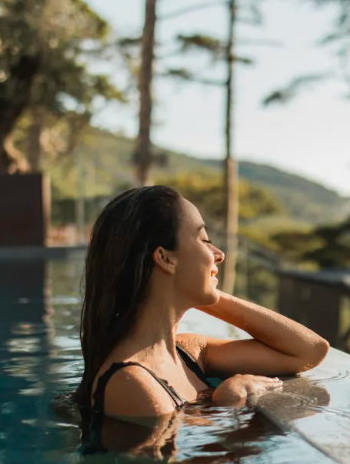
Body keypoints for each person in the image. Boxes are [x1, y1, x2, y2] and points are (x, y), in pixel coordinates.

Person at [74, 185, 331, 431]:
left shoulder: (188, 352)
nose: (218, 254)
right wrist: (226, 408)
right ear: (165, 258)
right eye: (204, 239)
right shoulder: (131, 383)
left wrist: (203, 292)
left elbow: (309, 350)